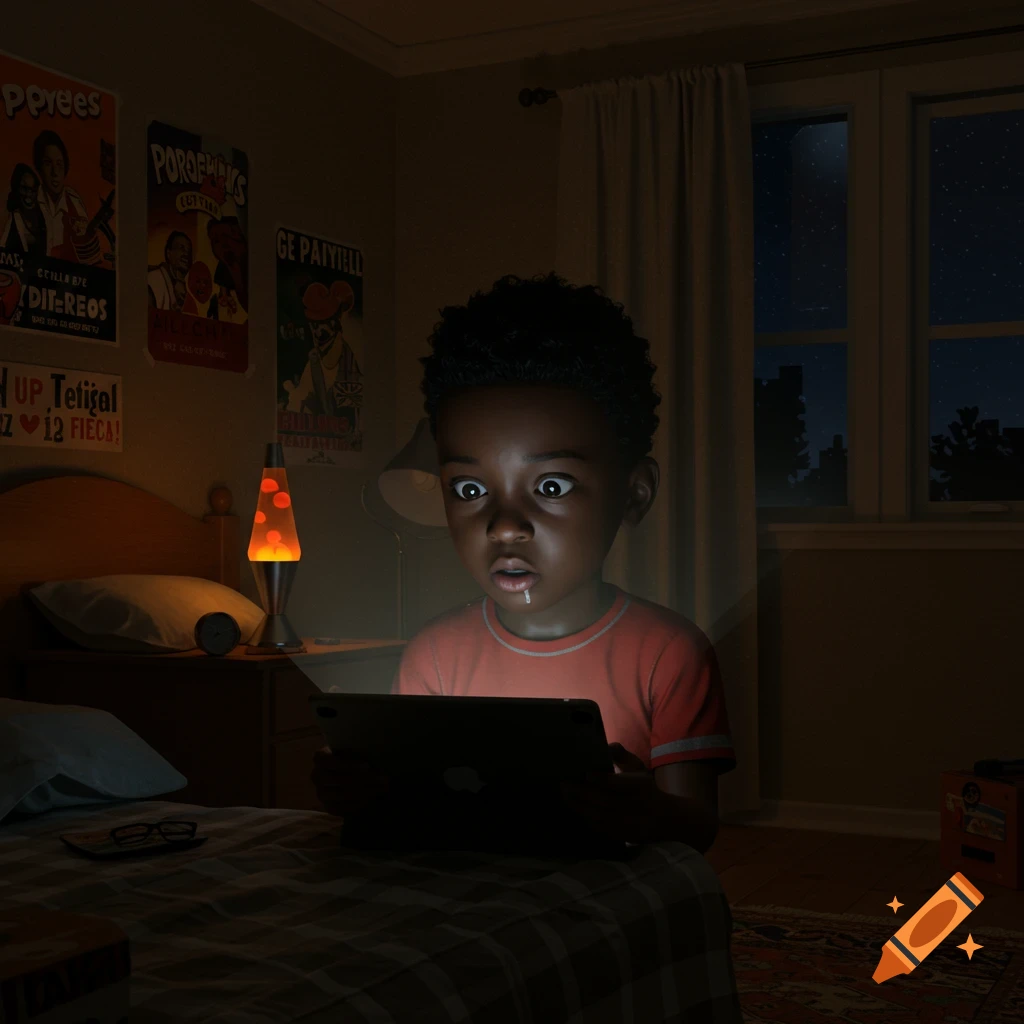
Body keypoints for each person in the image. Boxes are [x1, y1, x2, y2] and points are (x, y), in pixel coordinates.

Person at [312, 273, 734, 853]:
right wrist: (357, 790)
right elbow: (412, 802)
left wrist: (651, 812)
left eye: (552, 486)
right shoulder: (434, 657)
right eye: (468, 490)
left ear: (634, 494)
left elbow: (699, 825)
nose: (504, 525)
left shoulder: (669, 654)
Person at [282, 279, 363, 428]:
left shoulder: (350, 360)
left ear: (335, 323)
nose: (317, 331)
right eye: (314, 325)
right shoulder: (314, 362)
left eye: (323, 322)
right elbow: (302, 397)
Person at [32, 130, 96, 263]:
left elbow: (87, 256)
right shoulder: (30, 199)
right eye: (48, 163)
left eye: (59, 164)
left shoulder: (74, 202)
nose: (55, 172)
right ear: (39, 167)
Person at [0, 163, 47, 258]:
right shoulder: (12, 218)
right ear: (16, 188)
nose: (28, 195)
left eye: (33, 190)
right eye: (24, 189)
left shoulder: (45, 217)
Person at [147, 231, 193, 310]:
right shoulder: (155, 279)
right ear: (169, 253)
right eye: (181, 248)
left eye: (188, 251)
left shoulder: (182, 286)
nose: (186, 254)